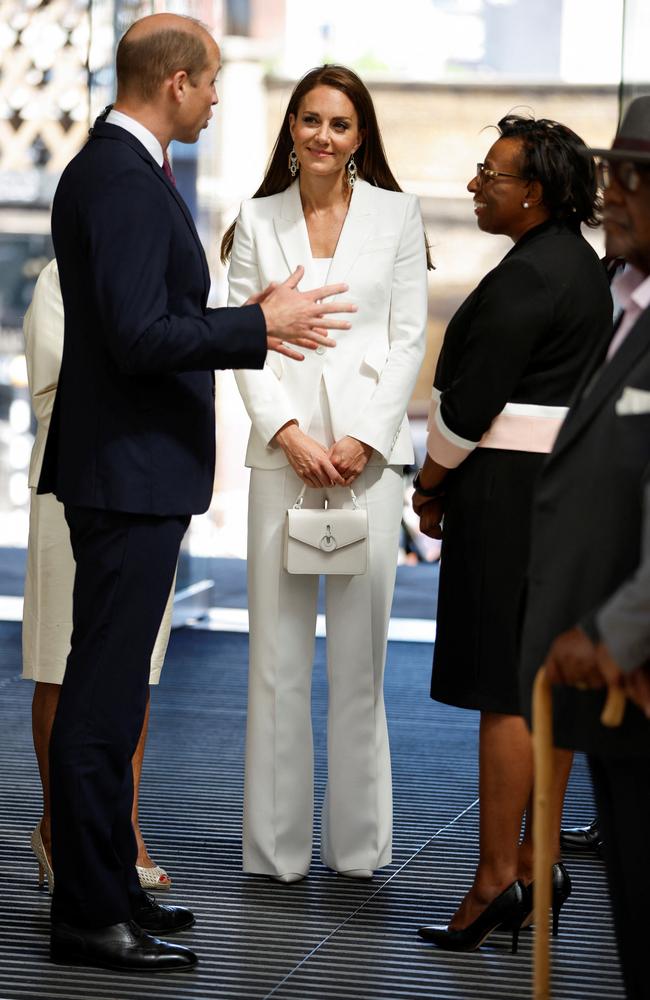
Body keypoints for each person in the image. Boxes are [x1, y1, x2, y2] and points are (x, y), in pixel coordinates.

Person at [39, 14, 355, 973]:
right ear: (174, 82)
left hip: (129, 472)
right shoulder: (123, 181)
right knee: (101, 705)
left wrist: (244, 323)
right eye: (211, 81)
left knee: (114, 700)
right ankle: (91, 912)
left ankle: (112, 887)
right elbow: (141, 337)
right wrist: (256, 325)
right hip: (127, 475)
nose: (221, 97)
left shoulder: (122, 170)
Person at [222, 64, 430, 883]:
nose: (322, 135)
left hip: (367, 470)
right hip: (283, 461)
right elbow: (241, 339)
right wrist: (289, 431)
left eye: (339, 124)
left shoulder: (400, 214)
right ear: (292, 129)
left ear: (360, 136)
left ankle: (358, 850)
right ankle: (275, 854)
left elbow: (408, 337)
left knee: (359, 666)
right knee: (274, 664)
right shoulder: (255, 215)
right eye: (310, 119)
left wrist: (366, 441)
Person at [413, 115, 613, 952]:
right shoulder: (575, 266)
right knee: (541, 690)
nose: (475, 186)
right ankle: (533, 867)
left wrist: (429, 484)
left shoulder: (532, 274)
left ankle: (498, 880)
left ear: (533, 192)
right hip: (554, 495)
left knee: (506, 691)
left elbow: (469, 402)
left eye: (491, 175)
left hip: (508, 497)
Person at [520, 96, 650, 1000]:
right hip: (616, 698)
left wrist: (614, 635)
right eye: (612, 171)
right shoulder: (627, 303)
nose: (615, 193)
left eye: (637, 178)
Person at [23, 259, 174, 894]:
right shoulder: (63, 275)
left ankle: (124, 827)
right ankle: (57, 825)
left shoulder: (169, 274)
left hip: (152, 479)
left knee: (136, 665)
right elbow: (54, 387)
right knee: (61, 657)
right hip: (73, 480)